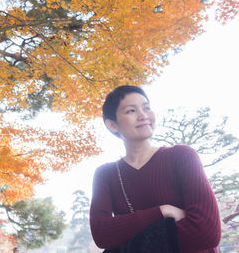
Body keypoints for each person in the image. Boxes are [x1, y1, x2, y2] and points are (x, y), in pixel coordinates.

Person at [90, 85, 221, 252]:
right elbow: (102, 235)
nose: (143, 115)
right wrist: (162, 211)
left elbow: (206, 232)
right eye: (131, 110)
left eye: (147, 107)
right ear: (112, 125)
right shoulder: (106, 174)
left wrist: (132, 243)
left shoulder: (181, 156)